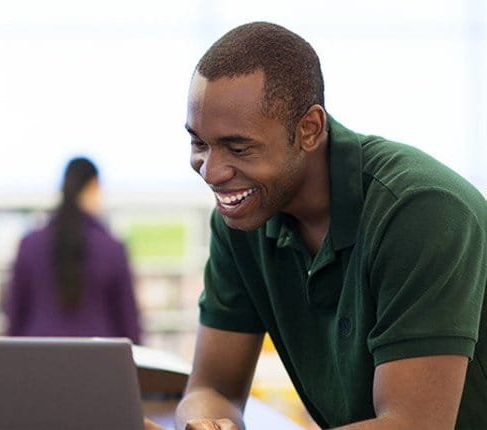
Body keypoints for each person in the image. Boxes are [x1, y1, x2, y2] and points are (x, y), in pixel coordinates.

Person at [166, 22, 487, 430]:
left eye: (239, 147)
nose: (211, 172)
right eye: (199, 143)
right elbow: (212, 388)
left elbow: (413, 425)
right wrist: (205, 423)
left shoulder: (422, 210)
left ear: (309, 129)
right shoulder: (243, 218)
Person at [4, 157, 142, 344]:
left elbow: (14, 315)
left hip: (38, 353)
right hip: (100, 354)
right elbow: (128, 320)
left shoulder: (29, 245)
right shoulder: (112, 248)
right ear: (93, 186)